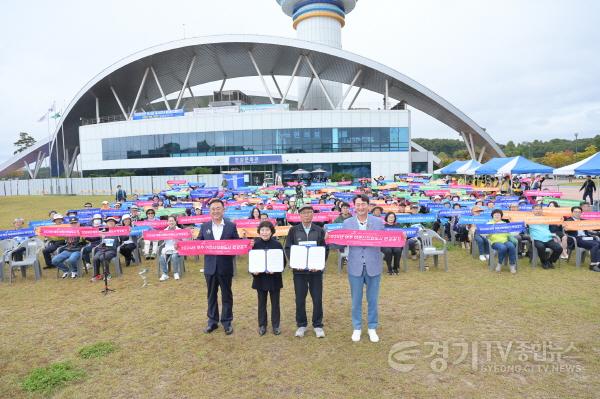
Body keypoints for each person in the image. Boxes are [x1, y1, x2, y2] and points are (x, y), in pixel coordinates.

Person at [343, 194, 385, 343]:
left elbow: (386, 240)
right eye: (358, 204)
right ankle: (357, 327)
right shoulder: (347, 223)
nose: (360, 207)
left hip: (373, 264)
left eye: (363, 204)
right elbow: (342, 243)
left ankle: (372, 327)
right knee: (356, 300)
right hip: (355, 265)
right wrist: (330, 239)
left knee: (372, 299)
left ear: (368, 206)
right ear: (354, 206)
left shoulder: (378, 222)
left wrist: (400, 239)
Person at [284, 204, 328, 338]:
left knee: (317, 298)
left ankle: (317, 325)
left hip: (316, 271)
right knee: (300, 298)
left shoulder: (319, 230)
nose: (307, 215)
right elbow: (288, 248)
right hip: (299, 272)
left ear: (313, 214)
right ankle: (301, 324)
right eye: (304, 213)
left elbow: (324, 249)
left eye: (309, 212)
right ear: (299, 215)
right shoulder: (294, 230)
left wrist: (320, 264)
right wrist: (294, 263)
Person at [198, 199, 241, 335]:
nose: (215, 211)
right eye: (213, 209)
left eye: (218, 208)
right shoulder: (204, 227)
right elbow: (198, 243)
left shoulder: (230, 226)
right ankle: (212, 321)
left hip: (225, 267)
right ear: (209, 211)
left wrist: (245, 242)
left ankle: (227, 322)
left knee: (226, 295)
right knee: (211, 295)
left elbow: (236, 244)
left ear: (223, 210)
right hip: (210, 267)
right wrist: (182, 245)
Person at [250, 221, 285, 336]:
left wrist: (275, 270)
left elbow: (282, 262)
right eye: (262, 230)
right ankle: (262, 325)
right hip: (260, 279)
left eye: (267, 230)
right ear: (259, 232)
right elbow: (252, 262)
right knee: (261, 303)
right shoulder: (255, 245)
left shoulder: (277, 245)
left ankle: (276, 325)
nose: (264, 233)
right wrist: (254, 272)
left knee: (275, 303)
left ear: (272, 231)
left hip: (274, 279)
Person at [565, 206, 600, 272]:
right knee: (595, 245)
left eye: (579, 212)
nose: (577, 213)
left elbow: (593, 227)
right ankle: (593, 265)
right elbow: (566, 231)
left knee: (597, 243)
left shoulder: (583, 221)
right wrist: (565, 228)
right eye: (575, 212)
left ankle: (598, 263)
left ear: (581, 213)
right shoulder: (568, 221)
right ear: (572, 213)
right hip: (577, 239)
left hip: (586, 237)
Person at [528, 204, 562, 269]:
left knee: (559, 248)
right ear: (532, 210)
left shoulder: (546, 218)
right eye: (536, 209)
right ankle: (544, 262)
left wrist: (559, 223)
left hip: (548, 238)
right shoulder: (528, 219)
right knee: (541, 247)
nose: (538, 211)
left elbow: (556, 222)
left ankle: (550, 261)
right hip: (537, 238)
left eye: (539, 209)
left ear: (542, 210)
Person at [487, 209, 517, 274]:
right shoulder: (489, 223)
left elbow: (508, 233)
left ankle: (512, 265)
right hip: (495, 242)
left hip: (505, 240)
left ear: (501, 216)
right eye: (495, 214)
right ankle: (499, 264)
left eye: (499, 215)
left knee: (511, 246)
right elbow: (486, 235)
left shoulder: (504, 223)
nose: (497, 216)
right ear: (492, 216)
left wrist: (515, 231)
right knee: (503, 247)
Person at [91, 217, 120, 281]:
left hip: (112, 250)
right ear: (106, 223)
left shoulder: (118, 230)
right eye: (109, 222)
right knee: (95, 258)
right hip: (102, 249)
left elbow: (124, 237)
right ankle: (97, 275)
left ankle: (107, 274)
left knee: (102, 257)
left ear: (115, 224)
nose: (111, 223)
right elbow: (94, 237)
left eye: (112, 222)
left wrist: (129, 231)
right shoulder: (103, 230)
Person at [159, 215, 183, 281]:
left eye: (172, 221)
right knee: (161, 257)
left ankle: (176, 272)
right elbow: (163, 241)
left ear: (175, 222)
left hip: (177, 249)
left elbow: (184, 241)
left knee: (174, 256)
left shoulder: (180, 230)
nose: (171, 222)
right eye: (169, 221)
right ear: (167, 222)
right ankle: (165, 274)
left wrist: (178, 243)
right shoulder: (165, 230)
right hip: (167, 248)